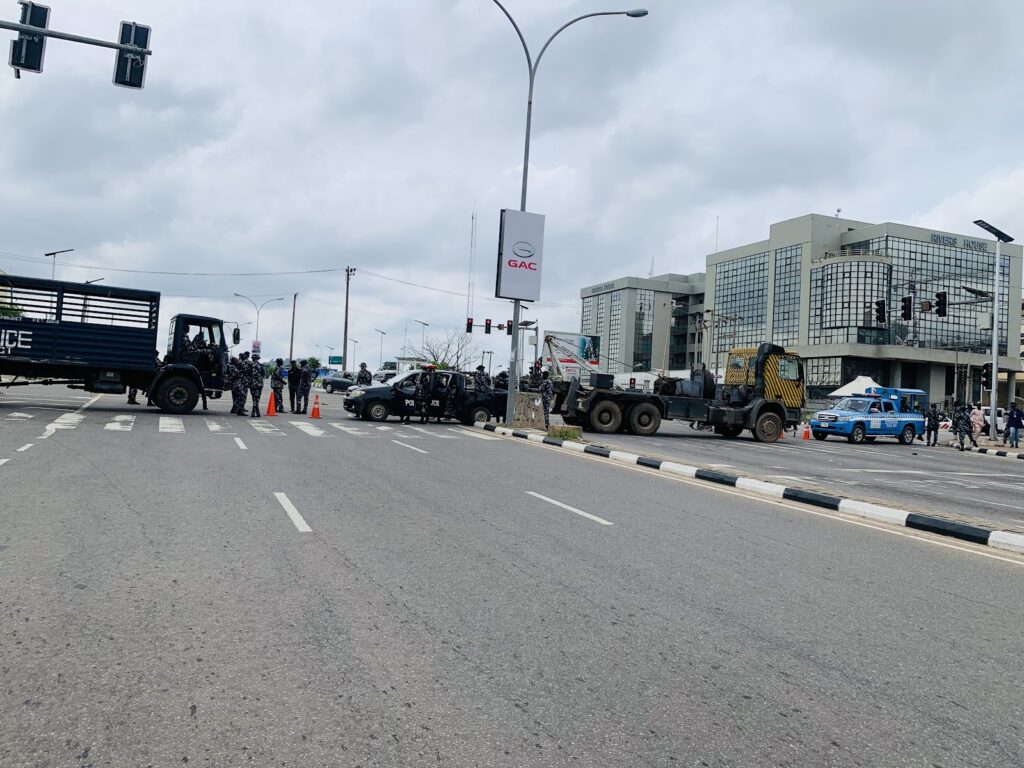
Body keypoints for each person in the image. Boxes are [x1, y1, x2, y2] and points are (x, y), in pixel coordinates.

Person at [247, 353, 265, 417]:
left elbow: (248, 374)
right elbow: (263, 374)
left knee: (254, 398)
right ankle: (256, 411)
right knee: (257, 398)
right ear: (258, 359)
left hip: (252, 384)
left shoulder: (250, 365)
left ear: (253, 359)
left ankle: (254, 411)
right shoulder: (261, 365)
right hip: (259, 384)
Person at [232, 351, 250, 416]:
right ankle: (239, 410)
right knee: (242, 396)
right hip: (241, 382)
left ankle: (237, 408)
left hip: (239, 382)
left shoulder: (240, 363)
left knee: (239, 396)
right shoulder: (245, 363)